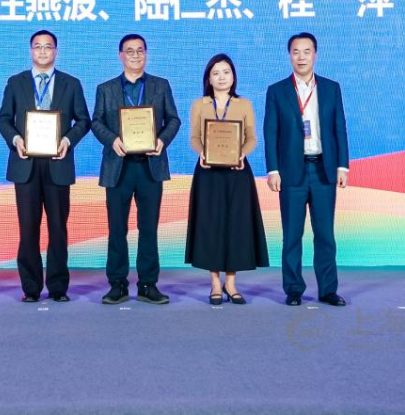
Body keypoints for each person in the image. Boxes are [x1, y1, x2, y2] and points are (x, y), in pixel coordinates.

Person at [0, 30, 91, 303]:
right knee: (28, 229)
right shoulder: (16, 82)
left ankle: (58, 287)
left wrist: (67, 140)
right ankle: (31, 288)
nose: (42, 51)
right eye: (37, 46)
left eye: (48, 47)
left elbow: (83, 120)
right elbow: (4, 119)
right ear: (30, 51)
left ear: (56, 51)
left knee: (58, 229)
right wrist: (16, 140)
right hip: (25, 163)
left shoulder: (71, 84)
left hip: (58, 163)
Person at [91, 34, 181, 305]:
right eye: (129, 51)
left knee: (149, 228)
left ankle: (148, 284)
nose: (135, 55)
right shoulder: (105, 88)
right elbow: (96, 122)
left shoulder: (160, 85)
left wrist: (162, 141)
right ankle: (117, 284)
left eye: (140, 51)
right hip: (118, 166)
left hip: (149, 166)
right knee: (117, 229)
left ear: (146, 54)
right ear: (120, 56)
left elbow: (174, 119)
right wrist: (112, 140)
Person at [263, 33, 350, 307]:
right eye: (296, 52)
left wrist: (342, 166)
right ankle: (293, 289)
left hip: (323, 169)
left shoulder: (331, 88)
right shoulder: (277, 91)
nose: (301, 57)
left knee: (325, 234)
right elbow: (270, 133)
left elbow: (339, 128)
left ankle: (328, 290)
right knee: (292, 235)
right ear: (289, 55)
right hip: (291, 172)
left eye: (307, 51)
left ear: (315, 54)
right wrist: (273, 170)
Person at [185, 54, 269, 305]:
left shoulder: (244, 105)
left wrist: (241, 154)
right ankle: (214, 283)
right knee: (210, 225)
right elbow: (194, 137)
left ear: (233, 77)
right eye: (216, 73)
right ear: (208, 79)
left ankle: (231, 283)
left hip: (237, 171)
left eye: (226, 72)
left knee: (236, 225)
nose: (221, 77)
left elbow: (252, 138)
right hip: (208, 172)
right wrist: (202, 153)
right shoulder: (199, 104)